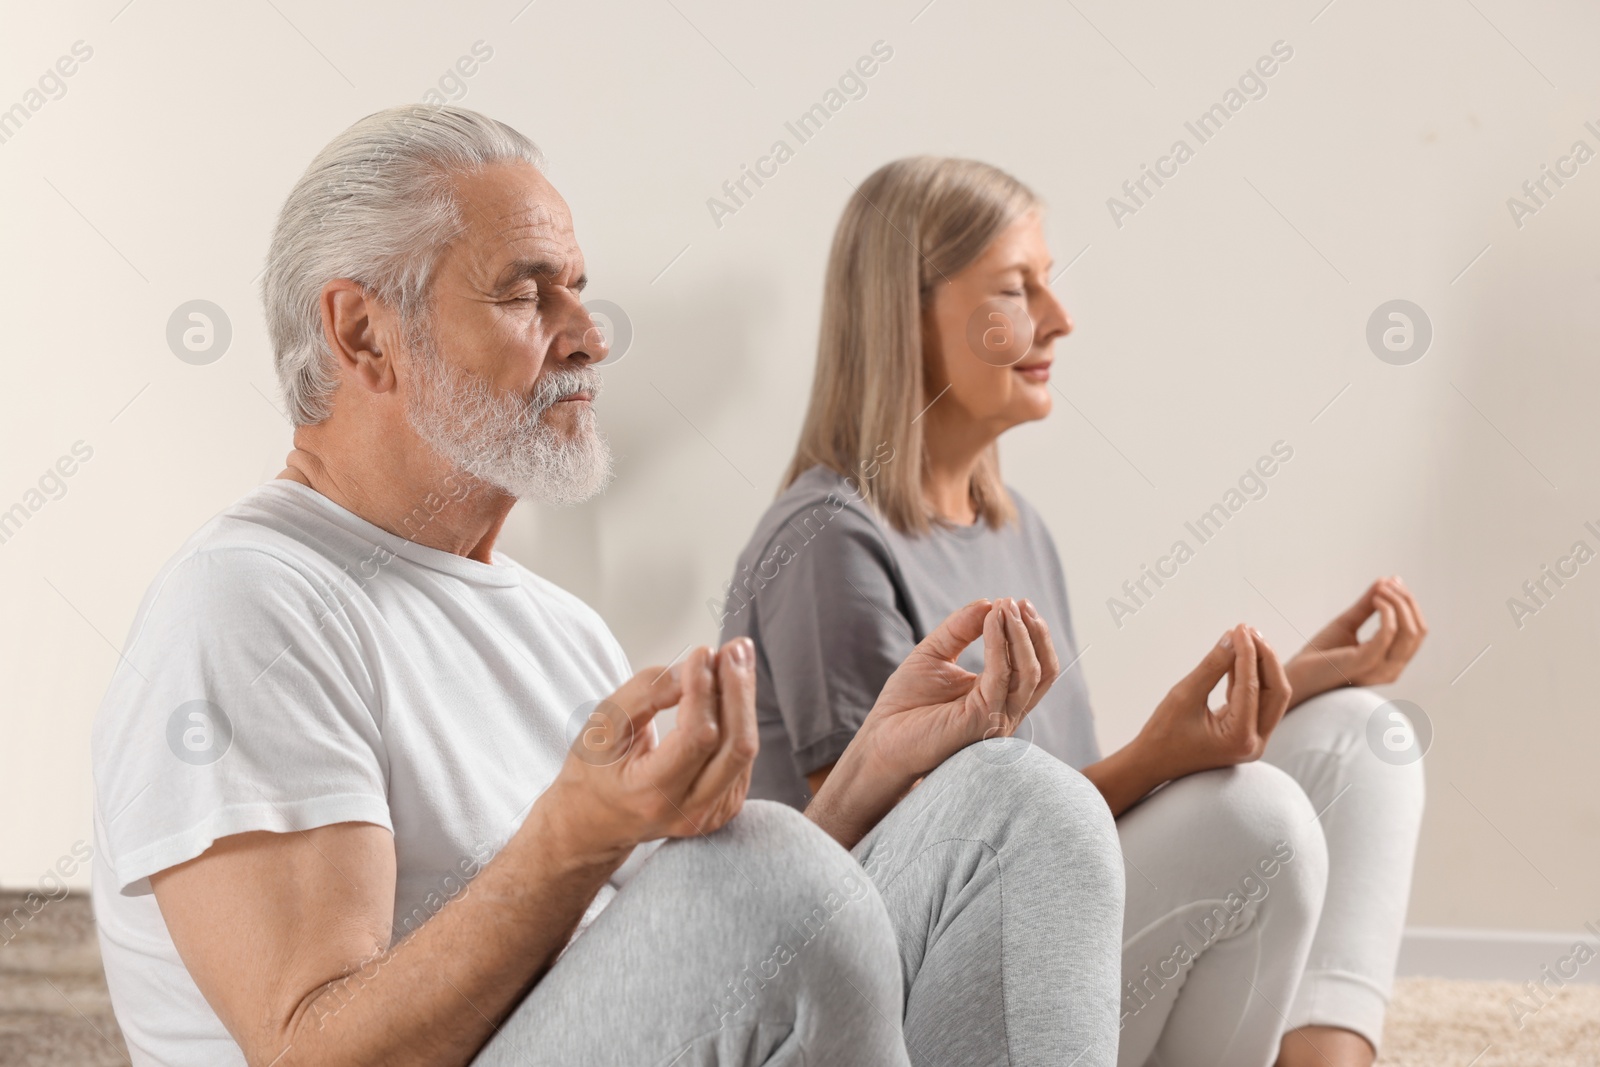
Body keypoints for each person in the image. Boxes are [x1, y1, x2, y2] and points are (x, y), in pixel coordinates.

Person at [90, 107, 1126, 1067]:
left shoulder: (556, 624)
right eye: (527, 293)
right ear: (364, 334)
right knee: (760, 871)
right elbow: (308, 1044)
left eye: (577, 289)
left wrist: (869, 772)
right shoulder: (247, 600)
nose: (588, 333)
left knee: (1021, 802)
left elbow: (694, 974)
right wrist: (571, 836)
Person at [718, 156, 1428, 1067]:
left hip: (1051, 941)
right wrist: (1158, 758)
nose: (1060, 318)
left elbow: (1066, 810)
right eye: (1019, 289)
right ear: (910, 312)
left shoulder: (1016, 529)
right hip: (917, 1005)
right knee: (1255, 820)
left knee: (1357, 735)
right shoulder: (826, 540)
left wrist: (1289, 684)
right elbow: (911, 868)